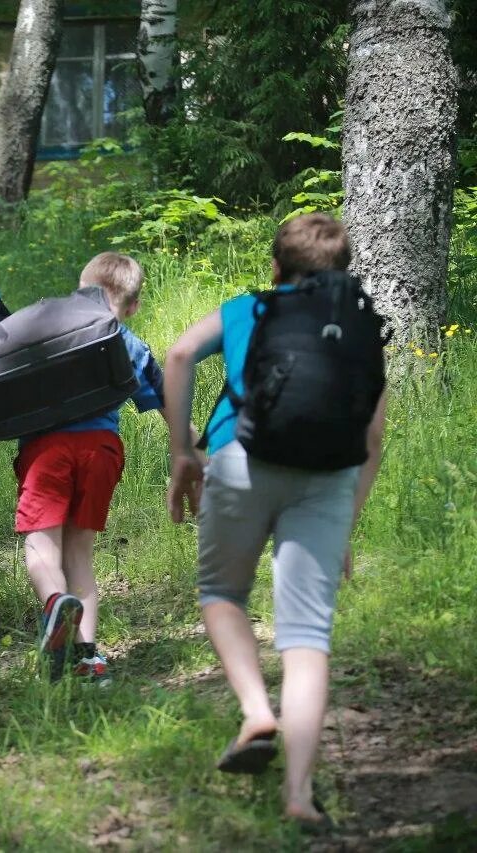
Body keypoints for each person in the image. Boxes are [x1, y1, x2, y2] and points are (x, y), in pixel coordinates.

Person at [164, 213, 387, 829]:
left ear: (276, 266)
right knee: (307, 637)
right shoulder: (362, 328)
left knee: (222, 592)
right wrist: (348, 523)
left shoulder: (249, 309)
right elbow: (372, 435)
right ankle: (298, 792)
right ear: (343, 271)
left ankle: (257, 710)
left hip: (240, 461)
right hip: (328, 478)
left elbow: (179, 354)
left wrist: (184, 451)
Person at [12, 253, 174, 683]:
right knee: (80, 552)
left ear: (80, 289)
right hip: (102, 449)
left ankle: (53, 605)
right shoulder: (130, 343)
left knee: (42, 546)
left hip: (46, 450)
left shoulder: (50, 328)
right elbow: (170, 409)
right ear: (133, 304)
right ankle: (87, 655)